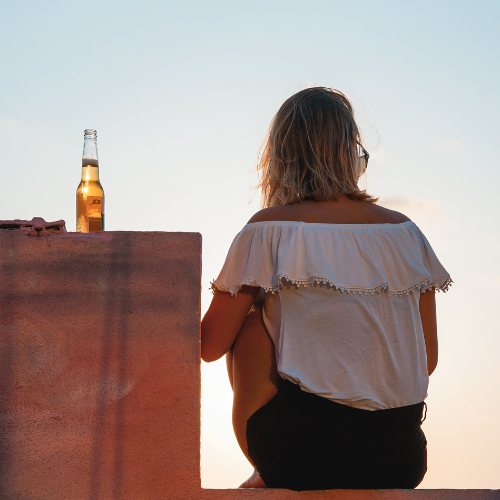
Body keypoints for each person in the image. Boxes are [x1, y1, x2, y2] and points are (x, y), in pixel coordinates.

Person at [200, 87, 452, 491]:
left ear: (280, 156)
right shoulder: (406, 233)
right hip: (400, 458)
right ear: (351, 151)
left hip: (300, 456)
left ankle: (263, 471)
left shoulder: (268, 229)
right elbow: (426, 359)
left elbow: (209, 346)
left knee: (249, 324)